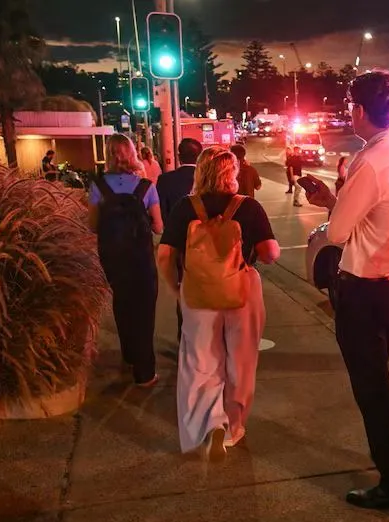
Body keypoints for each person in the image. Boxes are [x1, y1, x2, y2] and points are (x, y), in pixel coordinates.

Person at [301, 69, 389, 511]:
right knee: (378, 382)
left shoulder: (368, 161)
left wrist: (333, 207)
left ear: (358, 109)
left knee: (372, 389)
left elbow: (337, 233)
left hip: (365, 291)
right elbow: (371, 218)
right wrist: (337, 202)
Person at [156, 146, 281, 459]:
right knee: (240, 362)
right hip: (242, 291)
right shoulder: (248, 207)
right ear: (233, 173)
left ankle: (210, 423)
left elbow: (164, 255)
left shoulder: (186, 207)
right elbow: (270, 254)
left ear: (200, 171)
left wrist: (176, 287)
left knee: (201, 361)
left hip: (198, 292)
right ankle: (234, 427)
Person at [87, 134, 164, 387]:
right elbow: (159, 227)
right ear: (132, 153)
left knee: (122, 302)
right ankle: (145, 372)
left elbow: (93, 226)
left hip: (113, 258)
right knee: (144, 310)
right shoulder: (145, 186)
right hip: (140, 258)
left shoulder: (98, 186)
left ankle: (129, 355)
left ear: (109, 154)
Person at [157, 138, 203, 343]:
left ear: (178, 155)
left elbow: (162, 214)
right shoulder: (207, 179)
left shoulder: (165, 180)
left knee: (181, 288)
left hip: (178, 244)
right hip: (206, 245)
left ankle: (184, 334)